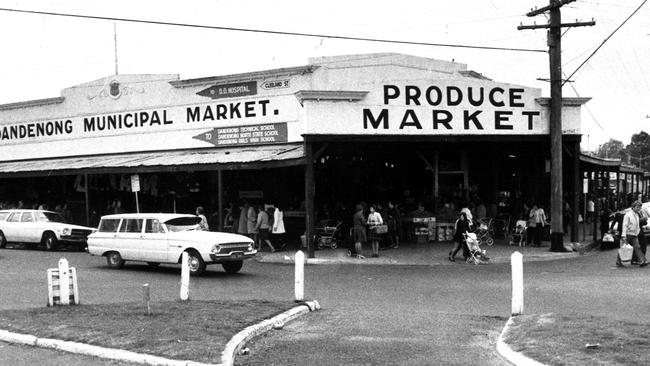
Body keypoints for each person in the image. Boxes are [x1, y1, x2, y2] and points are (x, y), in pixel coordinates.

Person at [616, 201, 648, 267]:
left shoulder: (636, 215)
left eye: (640, 207)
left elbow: (637, 224)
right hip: (628, 234)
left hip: (634, 234)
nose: (639, 209)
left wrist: (638, 231)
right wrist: (623, 235)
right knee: (624, 248)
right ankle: (618, 261)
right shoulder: (628, 215)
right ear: (633, 207)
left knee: (637, 247)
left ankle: (642, 261)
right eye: (637, 207)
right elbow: (624, 225)